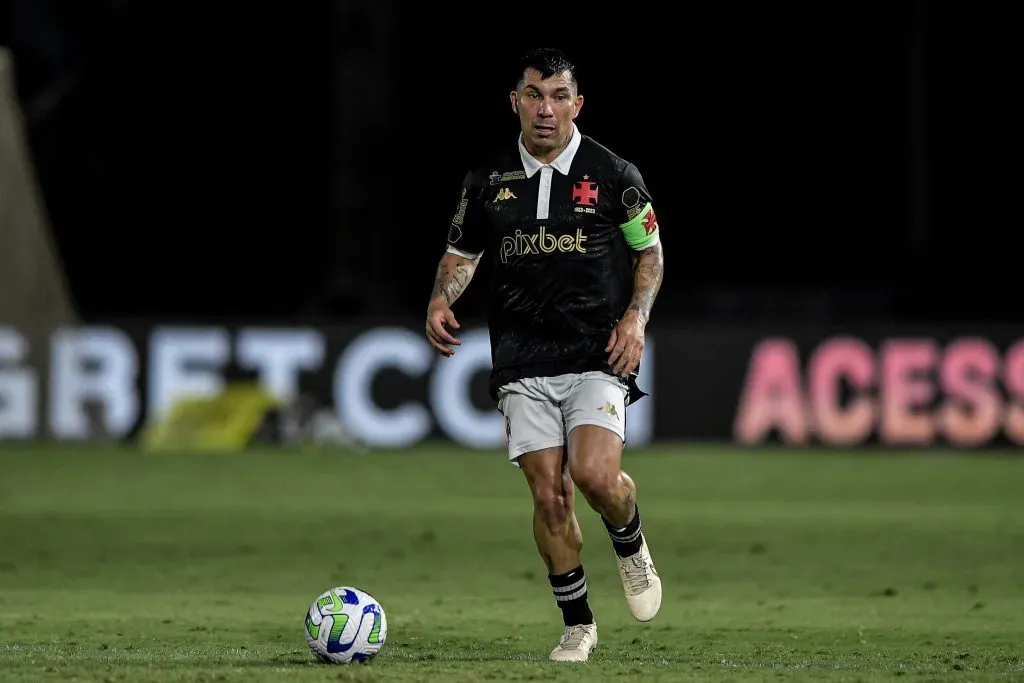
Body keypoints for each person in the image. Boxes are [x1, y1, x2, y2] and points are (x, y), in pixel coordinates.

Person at [424, 47, 665, 662]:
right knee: (549, 496)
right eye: (534, 95)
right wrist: (440, 299)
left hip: (596, 350)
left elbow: (649, 253)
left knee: (594, 476)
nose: (546, 109)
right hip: (521, 357)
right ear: (516, 101)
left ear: (577, 105)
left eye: (559, 96)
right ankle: (578, 624)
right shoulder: (487, 179)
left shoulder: (615, 175)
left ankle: (630, 541)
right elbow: (462, 255)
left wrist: (636, 317)